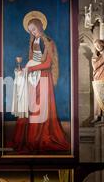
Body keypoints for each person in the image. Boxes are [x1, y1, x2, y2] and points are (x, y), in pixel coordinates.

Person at [10, 11, 70, 153]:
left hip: (43, 77)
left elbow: (48, 63)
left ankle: (38, 138)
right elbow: (32, 60)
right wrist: (22, 69)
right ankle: (28, 138)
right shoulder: (33, 42)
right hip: (32, 77)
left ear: (40, 27)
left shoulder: (48, 42)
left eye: (34, 29)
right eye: (31, 31)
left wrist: (30, 69)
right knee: (30, 105)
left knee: (40, 107)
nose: (33, 32)